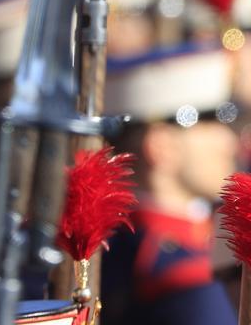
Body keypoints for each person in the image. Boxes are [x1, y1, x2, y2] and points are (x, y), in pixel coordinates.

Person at [100, 43, 241, 325]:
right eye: (209, 123)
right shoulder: (181, 276)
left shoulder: (117, 245)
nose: (230, 143)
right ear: (161, 146)